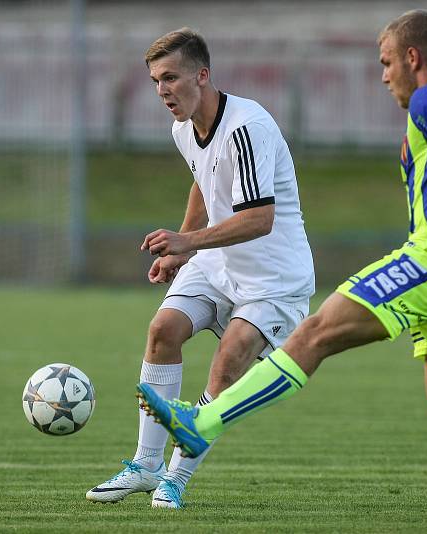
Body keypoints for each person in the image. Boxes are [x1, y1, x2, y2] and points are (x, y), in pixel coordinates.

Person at [138, 10, 427, 525]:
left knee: (314, 333)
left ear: (413, 58)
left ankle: (203, 422)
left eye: (387, 62)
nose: (384, 75)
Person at [86, 28, 315, 509]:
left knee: (228, 361)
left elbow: (258, 218)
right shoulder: (183, 128)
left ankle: (175, 477)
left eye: (170, 77)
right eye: (154, 80)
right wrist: (182, 251)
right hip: (218, 264)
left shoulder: (246, 127)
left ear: (202, 75)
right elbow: (203, 180)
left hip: (273, 280)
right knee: (162, 331)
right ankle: (145, 466)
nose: (162, 90)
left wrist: (186, 240)